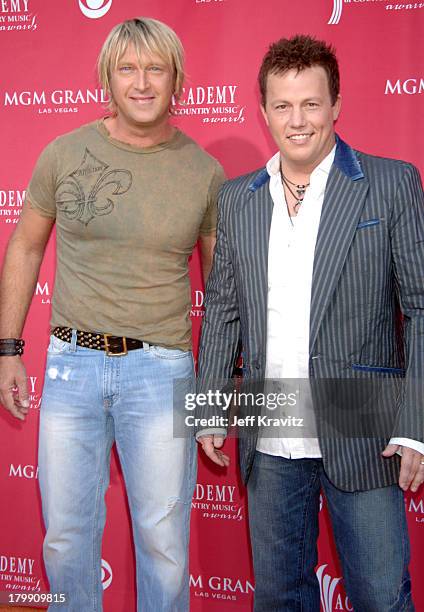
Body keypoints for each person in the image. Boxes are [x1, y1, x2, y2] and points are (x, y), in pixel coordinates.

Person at [0, 17, 225, 612]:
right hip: (71, 368)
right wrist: (7, 350)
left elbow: (226, 292)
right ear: (108, 77)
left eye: (156, 68)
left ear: (177, 79)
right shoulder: (64, 152)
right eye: (129, 68)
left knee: (164, 545)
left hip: (162, 374)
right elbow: (24, 245)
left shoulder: (203, 173)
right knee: (66, 538)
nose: (143, 82)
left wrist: (220, 394)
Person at [196, 34, 424, 611]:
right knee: (278, 597)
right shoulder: (237, 198)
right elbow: (223, 308)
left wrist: (415, 425)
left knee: (380, 595)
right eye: (282, 105)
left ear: (336, 106)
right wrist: (207, 412)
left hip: (364, 422)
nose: (297, 121)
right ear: (264, 110)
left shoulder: (392, 183)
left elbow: (420, 307)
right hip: (268, 422)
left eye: (311, 104)